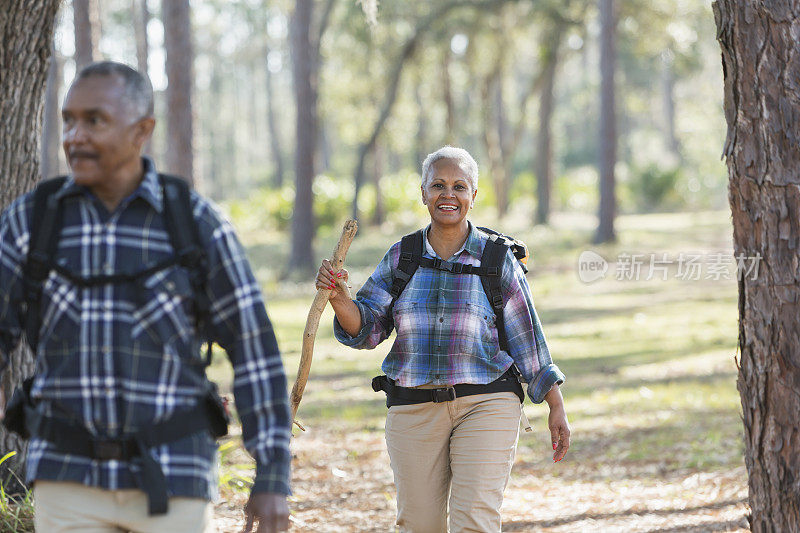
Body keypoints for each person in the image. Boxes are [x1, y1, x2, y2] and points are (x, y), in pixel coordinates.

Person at [0, 61, 291, 532]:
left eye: (94, 120)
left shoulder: (196, 224)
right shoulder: (30, 224)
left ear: (141, 131)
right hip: (66, 480)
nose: (75, 136)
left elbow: (254, 352)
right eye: (69, 120)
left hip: (174, 476)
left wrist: (272, 475)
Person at [316, 146, 570, 532]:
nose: (447, 194)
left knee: (474, 522)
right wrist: (339, 298)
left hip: (487, 401)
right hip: (413, 407)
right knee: (419, 525)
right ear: (423, 193)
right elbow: (367, 328)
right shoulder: (404, 255)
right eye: (438, 185)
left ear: (473, 196)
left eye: (459, 186)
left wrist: (555, 404)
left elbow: (527, 338)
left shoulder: (496, 259)